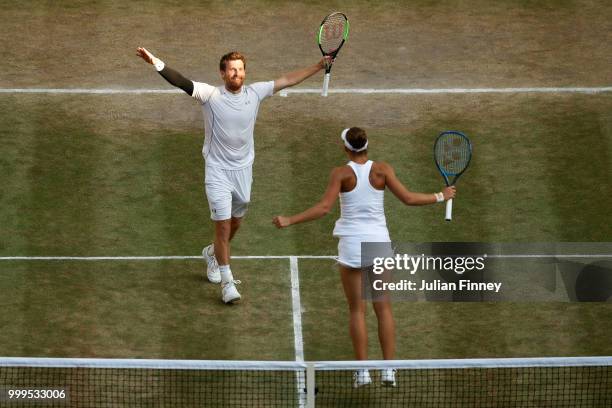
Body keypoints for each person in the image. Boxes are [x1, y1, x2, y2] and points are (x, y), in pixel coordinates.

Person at [136, 47, 331, 304]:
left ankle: (212, 254)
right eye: (231, 69)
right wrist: (156, 63)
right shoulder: (210, 95)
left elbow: (287, 80)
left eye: (240, 69)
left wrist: (318, 66)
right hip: (217, 171)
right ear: (222, 73)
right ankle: (228, 284)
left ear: (244, 73)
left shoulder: (256, 92)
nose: (236, 73)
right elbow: (181, 81)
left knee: (236, 223)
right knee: (223, 224)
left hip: (243, 170)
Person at [273, 127, 455, 387]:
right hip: (379, 244)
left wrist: (289, 219)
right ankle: (389, 371)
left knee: (357, 310)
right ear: (366, 146)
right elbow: (408, 198)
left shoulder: (341, 173)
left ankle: (362, 372)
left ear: (346, 148)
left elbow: (324, 208)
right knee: (383, 308)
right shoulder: (382, 170)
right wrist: (441, 196)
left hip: (352, 246)